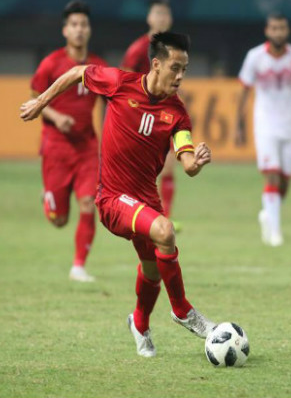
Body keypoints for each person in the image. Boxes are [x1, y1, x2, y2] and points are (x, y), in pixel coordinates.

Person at [21, 32, 215, 358]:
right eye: (175, 68)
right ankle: (183, 310)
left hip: (146, 200)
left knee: (153, 270)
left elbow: (186, 163)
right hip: (113, 198)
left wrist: (196, 161)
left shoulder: (177, 112)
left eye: (185, 69)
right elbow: (77, 72)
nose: (180, 76)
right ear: (156, 64)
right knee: (165, 231)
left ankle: (139, 324)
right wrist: (41, 103)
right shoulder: (119, 82)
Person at [30, 0, 107, 283]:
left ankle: (78, 266)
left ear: (89, 30)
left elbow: (110, 101)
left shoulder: (97, 66)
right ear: (65, 30)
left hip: (87, 147)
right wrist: (56, 116)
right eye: (74, 24)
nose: (79, 30)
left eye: (84, 24)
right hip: (56, 147)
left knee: (89, 203)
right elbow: (33, 98)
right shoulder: (51, 64)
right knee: (59, 220)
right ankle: (49, 201)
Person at [235, 12, 291, 247]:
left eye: (282, 28)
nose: (278, 32)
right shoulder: (255, 56)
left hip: (290, 124)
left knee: (285, 179)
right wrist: (239, 125)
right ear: (267, 31)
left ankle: (268, 215)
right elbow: (244, 91)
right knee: (271, 173)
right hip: (265, 123)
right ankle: (276, 233)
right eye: (274, 28)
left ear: (286, 30)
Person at [121, 0, 178, 226]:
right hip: (140, 116)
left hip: (165, 115)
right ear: (149, 18)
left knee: (170, 164)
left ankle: (166, 217)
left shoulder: (174, 49)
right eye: (158, 14)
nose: (162, 18)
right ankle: (137, 215)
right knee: (142, 171)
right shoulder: (137, 50)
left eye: (166, 14)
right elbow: (123, 83)